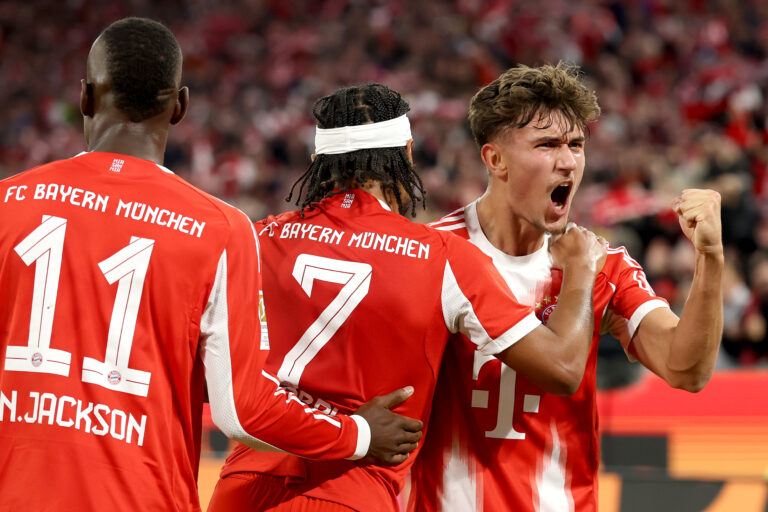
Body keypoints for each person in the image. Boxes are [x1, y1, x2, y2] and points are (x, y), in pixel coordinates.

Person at [0, 18, 423, 512]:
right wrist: (357, 433)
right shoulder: (218, 228)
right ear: (179, 105)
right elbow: (242, 411)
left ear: (85, 98)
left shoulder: (10, 203)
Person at [208, 83, 607, 512]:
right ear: (408, 153)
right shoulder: (442, 256)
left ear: (317, 163)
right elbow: (563, 368)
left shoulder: (258, 239)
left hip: (243, 486)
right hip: (354, 489)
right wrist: (582, 270)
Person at [407, 63, 724, 512]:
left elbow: (686, 369)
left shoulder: (602, 263)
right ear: (495, 159)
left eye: (576, 145)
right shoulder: (429, 255)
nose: (568, 161)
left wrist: (710, 260)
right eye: (547, 145)